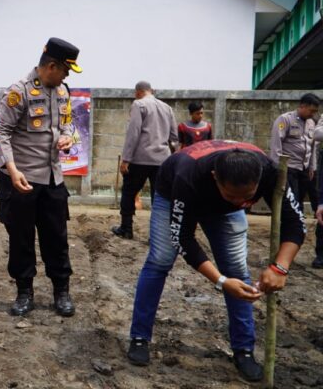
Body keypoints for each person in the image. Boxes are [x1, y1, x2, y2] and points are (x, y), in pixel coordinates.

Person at [126, 140, 306, 382]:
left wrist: (280, 268)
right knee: (159, 261)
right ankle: (139, 337)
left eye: (247, 197)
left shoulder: (271, 172)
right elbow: (182, 238)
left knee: (236, 269)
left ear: (258, 180)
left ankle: (244, 350)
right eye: (231, 195)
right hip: (173, 194)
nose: (238, 201)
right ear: (215, 178)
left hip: (224, 213)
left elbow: (295, 223)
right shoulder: (188, 176)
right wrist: (221, 281)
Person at [0, 37, 80, 317]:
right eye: (65, 70)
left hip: (53, 179)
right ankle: (24, 292)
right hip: (22, 179)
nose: (67, 76)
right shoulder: (19, 92)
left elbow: (67, 124)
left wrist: (67, 137)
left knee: (57, 237)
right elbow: (1, 132)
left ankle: (61, 291)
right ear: (52, 66)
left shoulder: (63, 91)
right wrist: (12, 169)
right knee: (21, 238)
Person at [111, 81, 177, 239]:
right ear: (151, 91)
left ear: (138, 92)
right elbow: (174, 137)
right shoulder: (167, 108)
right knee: (159, 197)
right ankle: (157, 235)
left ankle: (126, 229)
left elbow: (133, 133)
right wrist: (172, 158)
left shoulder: (138, 104)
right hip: (162, 160)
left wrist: (126, 159)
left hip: (140, 159)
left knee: (128, 192)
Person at [272, 93, 322, 269]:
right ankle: (282, 252)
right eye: (312, 110)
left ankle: (292, 250)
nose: (313, 114)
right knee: (291, 211)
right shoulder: (285, 120)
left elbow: (312, 147)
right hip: (289, 170)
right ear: (302, 106)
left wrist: (312, 167)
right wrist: (280, 172)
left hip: (305, 171)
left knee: (306, 208)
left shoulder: (311, 123)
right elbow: (276, 147)